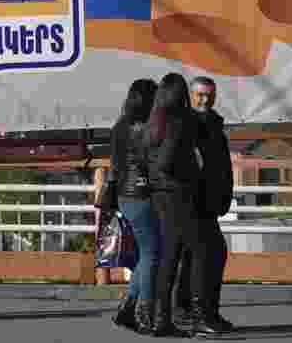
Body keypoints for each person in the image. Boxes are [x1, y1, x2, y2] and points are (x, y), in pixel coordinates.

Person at [174, 76, 235, 335]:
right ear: (189, 95)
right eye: (199, 95)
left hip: (208, 202)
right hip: (192, 201)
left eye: (209, 95)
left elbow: (220, 166)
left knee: (197, 256)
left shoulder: (213, 124)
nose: (204, 100)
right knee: (208, 254)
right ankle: (200, 314)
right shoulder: (186, 124)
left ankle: (196, 311)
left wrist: (223, 195)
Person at [99, 79, 160, 334]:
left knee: (144, 255)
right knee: (152, 254)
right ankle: (143, 313)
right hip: (144, 194)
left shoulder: (120, 126)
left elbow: (114, 167)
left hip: (124, 196)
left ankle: (127, 307)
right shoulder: (148, 128)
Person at [146, 72, 202, 336]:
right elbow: (168, 161)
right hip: (176, 195)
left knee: (164, 257)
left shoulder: (154, 121)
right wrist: (191, 170)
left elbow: (153, 161)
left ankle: (158, 315)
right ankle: (164, 319)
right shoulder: (178, 121)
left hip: (158, 194)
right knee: (174, 256)